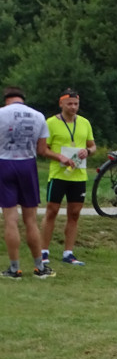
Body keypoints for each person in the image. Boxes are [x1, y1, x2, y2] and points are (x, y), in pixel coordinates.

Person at [1, 87, 55, 280]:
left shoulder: (1, 114)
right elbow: (42, 149)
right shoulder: (38, 116)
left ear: (7, 100)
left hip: (4, 163)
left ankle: (15, 269)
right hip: (27, 164)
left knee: (10, 219)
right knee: (30, 219)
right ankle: (39, 267)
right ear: (22, 100)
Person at [41, 88, 95, 266]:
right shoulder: (50, 123)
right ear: (61, 104)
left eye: (76, 104)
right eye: (70, 104)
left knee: (74, 214)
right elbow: (43, 149)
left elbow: (92, 146)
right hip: (58, 175)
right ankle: (43, 251)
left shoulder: (85, 123)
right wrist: (60, 157)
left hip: (78, 176)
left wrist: (87, 151)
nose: (73, 107)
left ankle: (68, 253)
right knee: (52, 211)